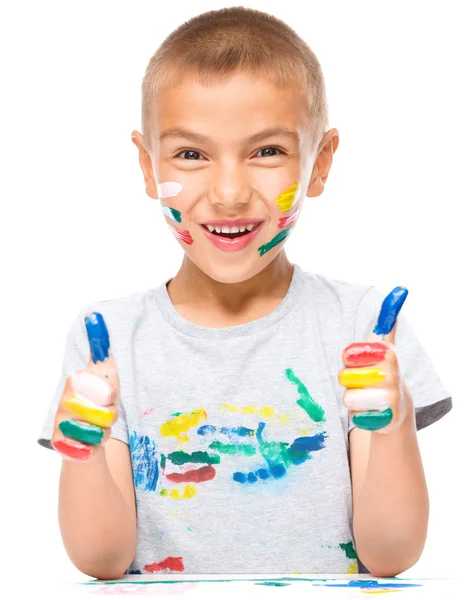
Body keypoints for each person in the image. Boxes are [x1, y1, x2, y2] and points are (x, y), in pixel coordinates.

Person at [37, 6, 452, 580]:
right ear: (148, 166)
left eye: (267, 152)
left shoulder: (362, 330)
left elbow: (392, 556)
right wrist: (83, 450)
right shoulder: (107, 342)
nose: (229, 193)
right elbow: (101, 561)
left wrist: (395, 420)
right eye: (190, 154)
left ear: (319, 163)